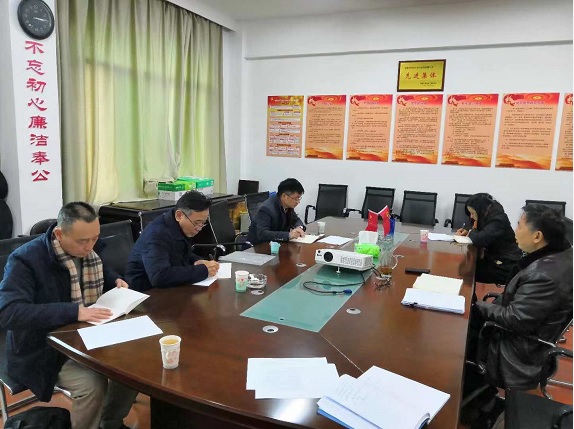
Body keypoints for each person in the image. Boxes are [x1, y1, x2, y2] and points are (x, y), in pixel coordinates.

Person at [0, 202, 137, 429]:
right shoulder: (25, 260)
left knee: (132, 369)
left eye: (95, 238)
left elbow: (98, 269)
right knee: (92, 386)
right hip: (43, 348)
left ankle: (110, 422)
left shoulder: (88, 250)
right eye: (83, 241)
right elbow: (9, 312)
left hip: (86, 335)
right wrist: (74, 311)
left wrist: (114, 280)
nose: (90, 247)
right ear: (59, 234)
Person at [472, 204, 573, 389]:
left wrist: (477, 306)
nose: (515, 231)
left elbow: (515, 318)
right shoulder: (560, 254)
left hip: (516, 351)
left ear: (537, 236)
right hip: (522, 333)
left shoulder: (543, 275)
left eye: (519, 226)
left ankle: (474, 393)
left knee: (453, 337)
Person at [126, 190, 219, 291]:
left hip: (168, 287)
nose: (199, 228)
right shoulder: (157, 234)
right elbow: (159, 276)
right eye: (197, 223)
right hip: (144, 292)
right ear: (179, 215)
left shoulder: (178, 225)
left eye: (203, 223)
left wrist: (196, 261)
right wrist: (202, 271)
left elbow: (180, 254)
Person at [456, 193, 522, 285]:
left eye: (472, 213)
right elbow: (479, 231)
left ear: (480, 210)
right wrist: (467, 231)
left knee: (468, 272)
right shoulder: (488, 215)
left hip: (505, 265)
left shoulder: (498, 220)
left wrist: (472, 231)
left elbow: (479, 240)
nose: (471, 216)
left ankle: (469, 294)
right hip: (494, 259)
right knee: (465, 267)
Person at [247, 178, 306, 245]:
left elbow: (295, 219)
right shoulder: (266, 208)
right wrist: (288, 235)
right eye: (296, 199)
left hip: (277, 244)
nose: (298, 202)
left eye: (299, 198)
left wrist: (299, 228)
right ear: (284, 196)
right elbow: (262, 234)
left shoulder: (287, 205)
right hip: (259, 246)